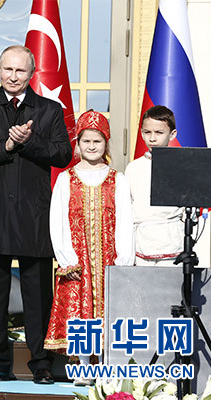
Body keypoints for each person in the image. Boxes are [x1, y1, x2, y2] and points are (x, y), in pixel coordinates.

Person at [0, 45, 72, 384]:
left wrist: (29, 141)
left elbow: (63, 154)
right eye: (8, 69)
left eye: (20, 70)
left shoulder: (49, 110)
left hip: (34, 215)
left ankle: (41, 364)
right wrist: (6, 146)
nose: (13, 76)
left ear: (32, 73)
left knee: (38, 296)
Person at [43, 110, 135, 385]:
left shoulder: (117, 179)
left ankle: (107, 369)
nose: (92, 146)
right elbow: (57, 220)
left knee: (109, 313)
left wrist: (123, 260)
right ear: (78, 143)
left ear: (106, 143)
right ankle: (84, 368)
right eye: (86, 141)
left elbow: (125, 221)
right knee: (81, 314)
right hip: (78, 260)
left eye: (97, 141)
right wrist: (66, 258)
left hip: (109, 260)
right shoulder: (66, 179)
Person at [125, 105, 184, 266]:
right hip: (141, 242)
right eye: (147, 132)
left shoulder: (181, 167)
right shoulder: (133, 168)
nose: (152, 138)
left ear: (172, 134)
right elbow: (127, 207)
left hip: (172, 241)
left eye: (159, 132)